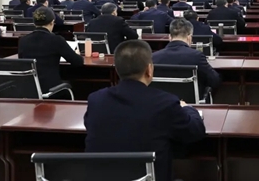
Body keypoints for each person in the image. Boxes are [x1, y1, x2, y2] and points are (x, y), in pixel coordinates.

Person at [84, 40, 205, 181]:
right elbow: (195, 131)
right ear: (149, 69)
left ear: (117, 70)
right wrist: (188, 109)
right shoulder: (166, 103)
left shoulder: (96, 100)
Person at [18, 7, 84, 96]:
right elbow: (78, 62)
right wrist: (76, 54)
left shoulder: (23, 40)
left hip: (29, 89)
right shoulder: (57, 40)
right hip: (51, 90)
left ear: (34, 23)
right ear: (52, 22)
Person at [152, 19, 221, 96]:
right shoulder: (196, 56)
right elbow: (214, 81)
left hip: (162, 101)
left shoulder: (154, 57)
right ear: (190, 37)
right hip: (190, 102)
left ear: (169, 37)